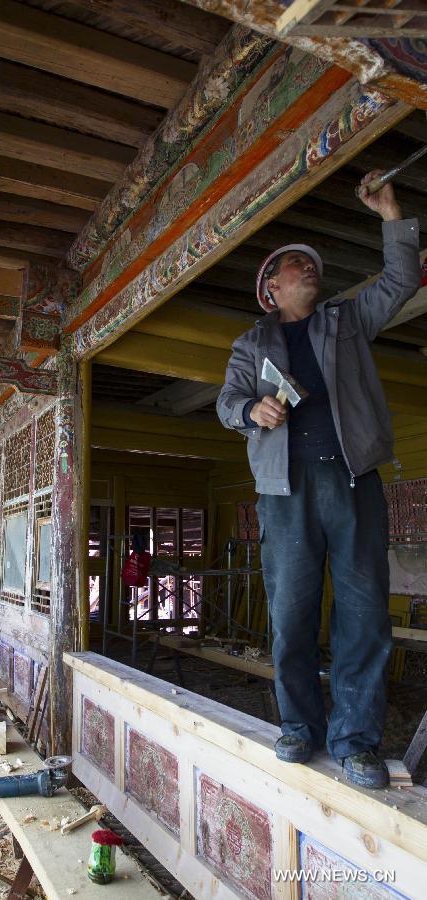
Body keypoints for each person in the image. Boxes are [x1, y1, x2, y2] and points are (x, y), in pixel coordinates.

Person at [216, 171, 421, 789]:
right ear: (271, 288)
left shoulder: (348, 321)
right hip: (284, 491)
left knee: (363, 613)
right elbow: (227, 402)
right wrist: (252, 410)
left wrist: (390, 216)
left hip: (354, 480)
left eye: (313, 264)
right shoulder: (251, 344)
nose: (311, 269)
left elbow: (401, 280)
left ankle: (356, 742)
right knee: (291, 613)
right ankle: (299, 728)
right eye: (297, 265)